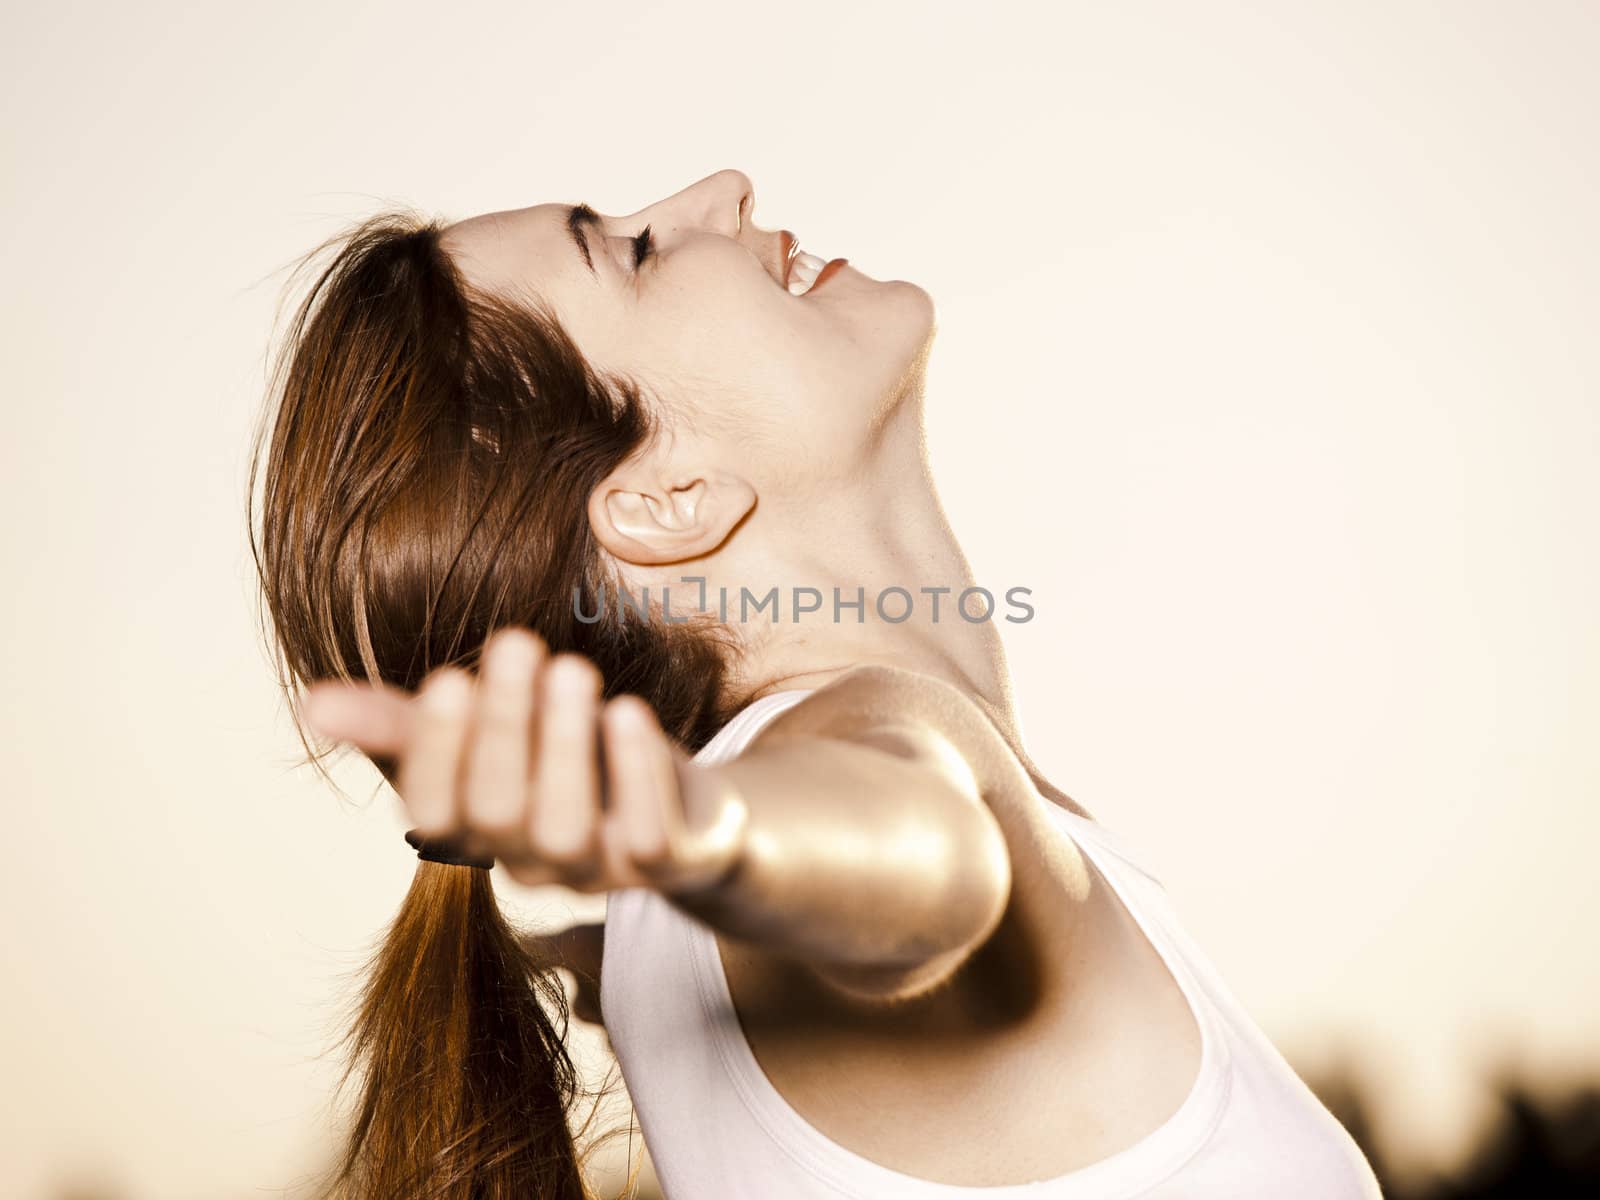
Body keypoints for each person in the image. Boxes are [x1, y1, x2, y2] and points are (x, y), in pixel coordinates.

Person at [251, 168, 1382, 1199]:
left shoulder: (692, 907)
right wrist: (703, 833)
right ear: (666, 498)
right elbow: (928, 865)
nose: (720, 192)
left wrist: (609, 935)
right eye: (634, 253)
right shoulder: (837, 758)